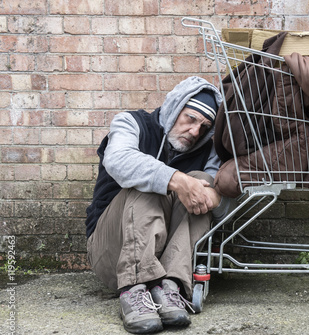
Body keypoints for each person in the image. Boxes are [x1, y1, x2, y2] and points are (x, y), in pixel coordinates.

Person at [85, 76, 233, 334]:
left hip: (168, 260)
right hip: (112, 252)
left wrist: (214, 199)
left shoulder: (207, 150)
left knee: (202, 183)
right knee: (150, 179)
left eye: (204, 126)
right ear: (175, 108)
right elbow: (119, 160)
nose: (195, 132)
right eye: (190, 119)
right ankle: (134, 291)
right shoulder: (130, 122)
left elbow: (223, 209)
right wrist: (174, 180)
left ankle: (170, 288)